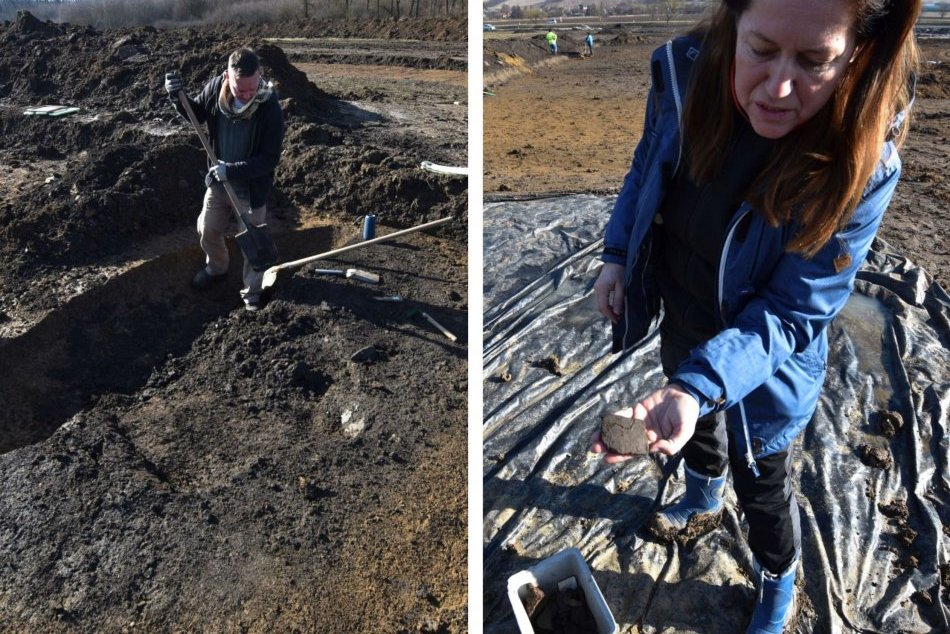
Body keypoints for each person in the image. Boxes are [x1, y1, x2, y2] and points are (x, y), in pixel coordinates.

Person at [590, 0, 919, 631]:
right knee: (699, 436)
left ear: (857, 54)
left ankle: (779, 576)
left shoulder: (864, 163)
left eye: (814, 61)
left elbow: (795, 309)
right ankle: (701, 494)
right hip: (684, 320)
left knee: (764, 487)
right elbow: (644, 167)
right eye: (761, 50)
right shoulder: (682, 79)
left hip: (767, 369)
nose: (779, 87)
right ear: (731, 24)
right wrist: (615, 256)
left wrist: (699, 385)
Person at [164, 47, 284, 311]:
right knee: (206, 229)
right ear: (227, 76)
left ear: (260, 76)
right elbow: (195, 113)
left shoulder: (269, 107)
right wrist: (177, 97)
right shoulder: (217, 87)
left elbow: (269, 159)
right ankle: (216, 267)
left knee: (253, 245)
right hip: (219, 183)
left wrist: (233, 170)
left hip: (250, 190)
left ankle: (252, 294)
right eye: (241, 90)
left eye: (252, 89)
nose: (247, 95)